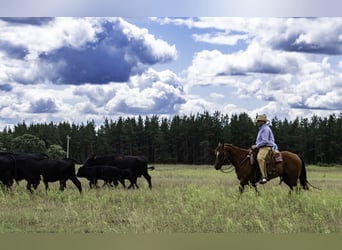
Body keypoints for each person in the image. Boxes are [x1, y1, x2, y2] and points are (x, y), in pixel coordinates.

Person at [251, 114, 276, 184]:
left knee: (260, 158)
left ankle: (264, 177)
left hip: (266, 147)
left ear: (263, 121)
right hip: (261, 146)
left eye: (258, 121)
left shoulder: (265, 129)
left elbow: (265, 141)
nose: (257, 122)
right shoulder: (262, 129)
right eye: (257, 121)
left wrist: (256, 146)